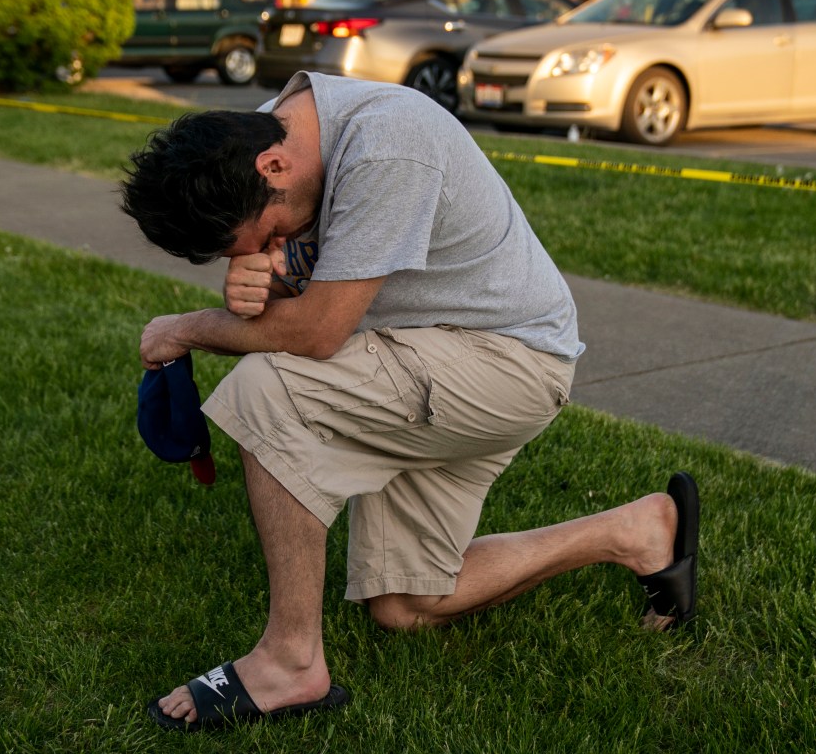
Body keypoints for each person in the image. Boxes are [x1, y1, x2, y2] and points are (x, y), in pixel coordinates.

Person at [120, 71, 700, 733]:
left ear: (274, 164)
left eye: (261, 233)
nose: (262, 249)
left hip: (508, 362)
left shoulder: (388, 142)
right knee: (405, 602)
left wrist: (188, 327)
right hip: (421, 352)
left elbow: (316, 331)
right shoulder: (256, 142)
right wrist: (252, 285)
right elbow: (289, 302)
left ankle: (289, 661)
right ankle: (635, 531)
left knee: (267, 387)